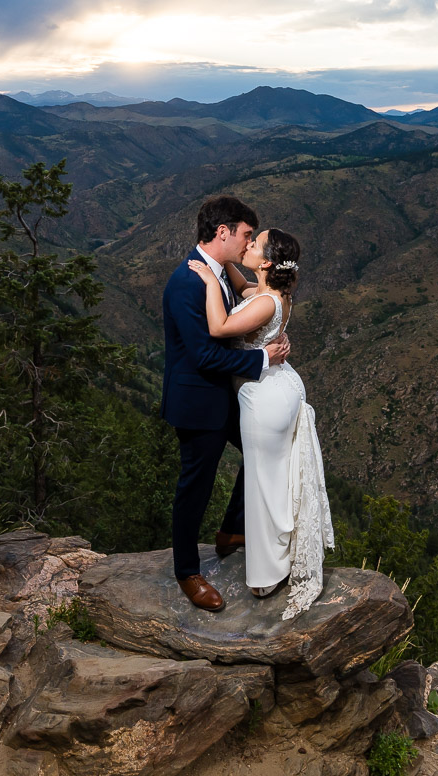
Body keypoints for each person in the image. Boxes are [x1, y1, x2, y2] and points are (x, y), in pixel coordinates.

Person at [188, 227, 334, 620]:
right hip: (281, 387)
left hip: (263, 398)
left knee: (263, 482)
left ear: (268, 262)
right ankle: (277, 555)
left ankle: (266, 576)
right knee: (273, 478)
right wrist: (222, 260)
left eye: (254, 243)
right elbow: (241, 280)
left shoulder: (264, 302)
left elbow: (218, 328)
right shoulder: (272, 294)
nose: (248, 245)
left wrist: (206, 281)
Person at [162, 196, 289, 612]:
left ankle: (232, 530)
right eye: (246, 235)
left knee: (262, 452)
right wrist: (262, 358)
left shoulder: (218, 272)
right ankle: (187, 572)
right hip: (199, 403)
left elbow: (251, 302)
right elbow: (203, 355)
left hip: (226, 397)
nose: (249, 242)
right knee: (194, 488)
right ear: (223, 232)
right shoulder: (187, 282)